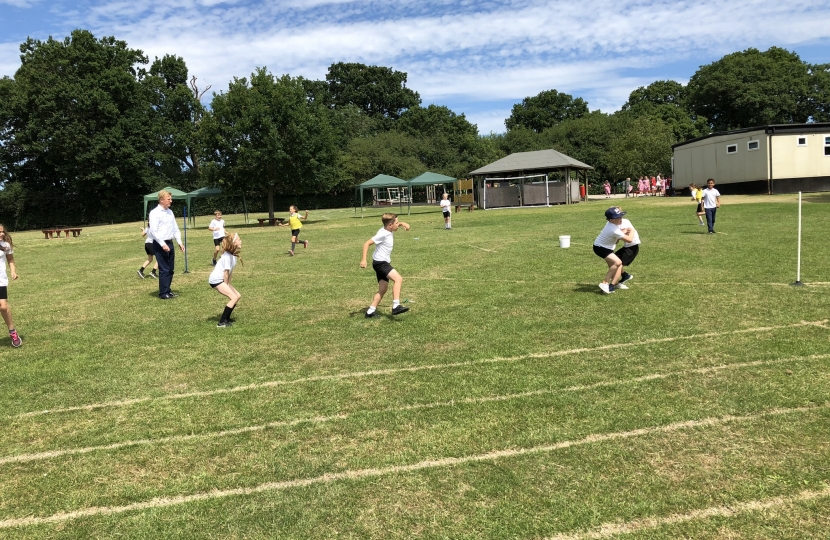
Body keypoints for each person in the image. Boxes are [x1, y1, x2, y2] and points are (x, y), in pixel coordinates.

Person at [360, 213, 411, 318]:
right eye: (396, 223)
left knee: (383, 288)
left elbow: (394, 223)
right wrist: (364, 259)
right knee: (398, 279)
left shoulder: (387, 229)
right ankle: (396, 306)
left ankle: (370, 312)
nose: (398, 225)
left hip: (380, 262)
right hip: (380, 263)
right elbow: (366, 244)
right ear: (390, 225)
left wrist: (402, 223)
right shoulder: (383, 234)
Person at [148, 190, 185, 299]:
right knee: (164, 268)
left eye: (170, 199)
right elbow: (154, 231)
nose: (171, 201)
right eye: (168, 199)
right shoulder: (154, 213)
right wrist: (162, 244)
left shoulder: (170, 212)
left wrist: (179, 242)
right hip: (160, 244)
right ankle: (163, 293)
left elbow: (175, 228)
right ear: (161, 200)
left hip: (170, 242)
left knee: (170, 268)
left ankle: (168, 290)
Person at [593, 207, 636, 294]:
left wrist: (622, 231)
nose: (621, 219)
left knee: (616, 265)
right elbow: (629, 239)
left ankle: (613, 284)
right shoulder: (614, 230)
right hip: (600, 248)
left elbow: (617, 233)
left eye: (621, 216)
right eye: (618, 217)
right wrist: (632, 230)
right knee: (618, 262)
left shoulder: (612, 225)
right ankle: (605, 283)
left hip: (604, 247)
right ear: (611, 220)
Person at [209, 233, 242, 328]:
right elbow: (225, 274)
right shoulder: (227, 257)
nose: (241, 241)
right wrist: (227, 285)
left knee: (237, 296)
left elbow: (230, 273)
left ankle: (227, 318)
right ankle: (221, 322)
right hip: (216, 280)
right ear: (233, 243)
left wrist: (228, 285)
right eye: (239, 239)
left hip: (222, 280)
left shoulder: (233, 256)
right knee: (233, 298)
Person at [0, 224, 22, 347]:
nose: (2, 234)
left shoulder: (5, 245)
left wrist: (13, 271)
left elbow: (10, 260)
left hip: (0, 280)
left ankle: (13, 332)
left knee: (3, 307)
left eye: (2, 232)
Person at [616, 213, 641, 287]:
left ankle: (614, 283)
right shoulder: (617, 224)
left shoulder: (624, 223)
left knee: (618, 264)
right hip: (627, 246)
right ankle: (625, 275)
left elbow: (628, 235)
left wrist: (619, 235)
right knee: (614, 260)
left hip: (632, 247)